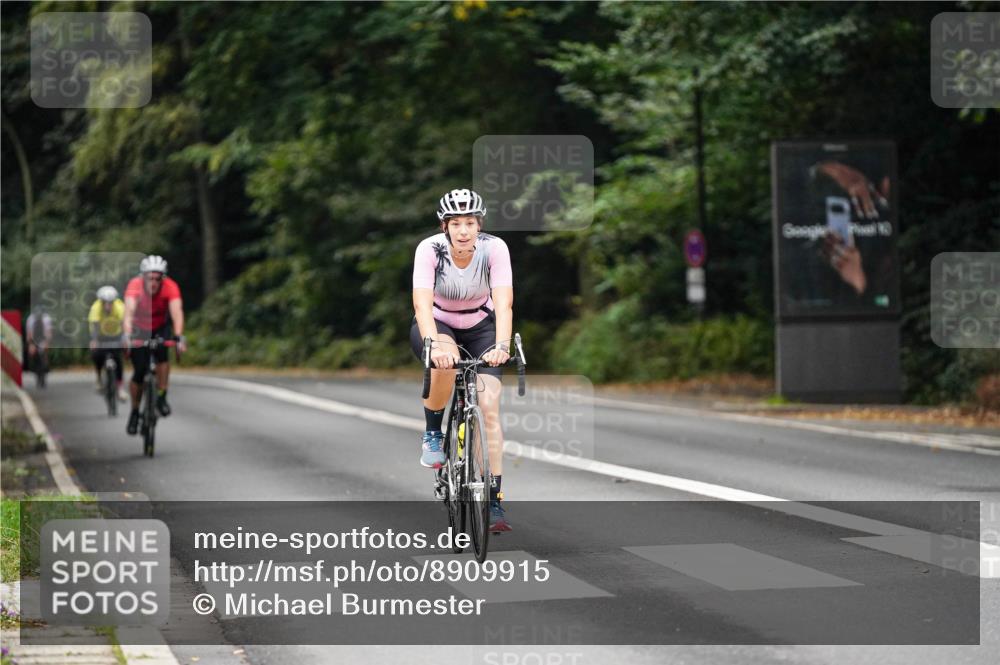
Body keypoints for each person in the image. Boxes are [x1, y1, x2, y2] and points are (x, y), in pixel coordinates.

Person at [410, 188, 514, 533]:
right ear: (445, 226)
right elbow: (422, 305)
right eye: (456, 223)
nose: (464, 230)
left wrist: (502, 345)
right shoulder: (429, 250)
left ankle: (494, 499)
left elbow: (503, 303)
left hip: (481, 325)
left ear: (479, 225)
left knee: (489, 407)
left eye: (470, 222)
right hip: (439, 323)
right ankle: (432, 432)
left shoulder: (494, 248)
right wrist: (434, 346)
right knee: (447, 361)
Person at [122, 255, 187, 435]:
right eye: (150, 278)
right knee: (139, 371)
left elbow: (176, 312)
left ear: (162, 279)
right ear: (143, 277)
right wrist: (127, 335)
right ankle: (135, 411)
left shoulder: (170, 287)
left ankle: (161, 396)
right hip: (138, 328)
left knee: (162, 357)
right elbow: (128, 313)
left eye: (158, 279)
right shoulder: (134, 286)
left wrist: (179, 336)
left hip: (159, 327)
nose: (154, 283)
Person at [88, 285, 127, 401]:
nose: (107, 306)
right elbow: (95, 325)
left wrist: (124, 339)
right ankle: (99, 377)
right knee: (97, 354)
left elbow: (124, 324)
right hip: (100, 335)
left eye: (110, 303)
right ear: (101, 302)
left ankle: (120, 388)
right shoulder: (96, 307)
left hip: (116, 334)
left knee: (118, 359)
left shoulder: (120, 307)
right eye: (105, 303)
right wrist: (94, 341)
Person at [25, 305, 53, 388]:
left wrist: (47, 344)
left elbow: (48, 332)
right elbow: (29, 333)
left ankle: (43, 377)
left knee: (43, 358)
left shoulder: (47, 319)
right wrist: (31, 345)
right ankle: (37, 376)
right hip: (34, 339)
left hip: (43, 338)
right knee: (35, 359)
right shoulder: (30, 319)